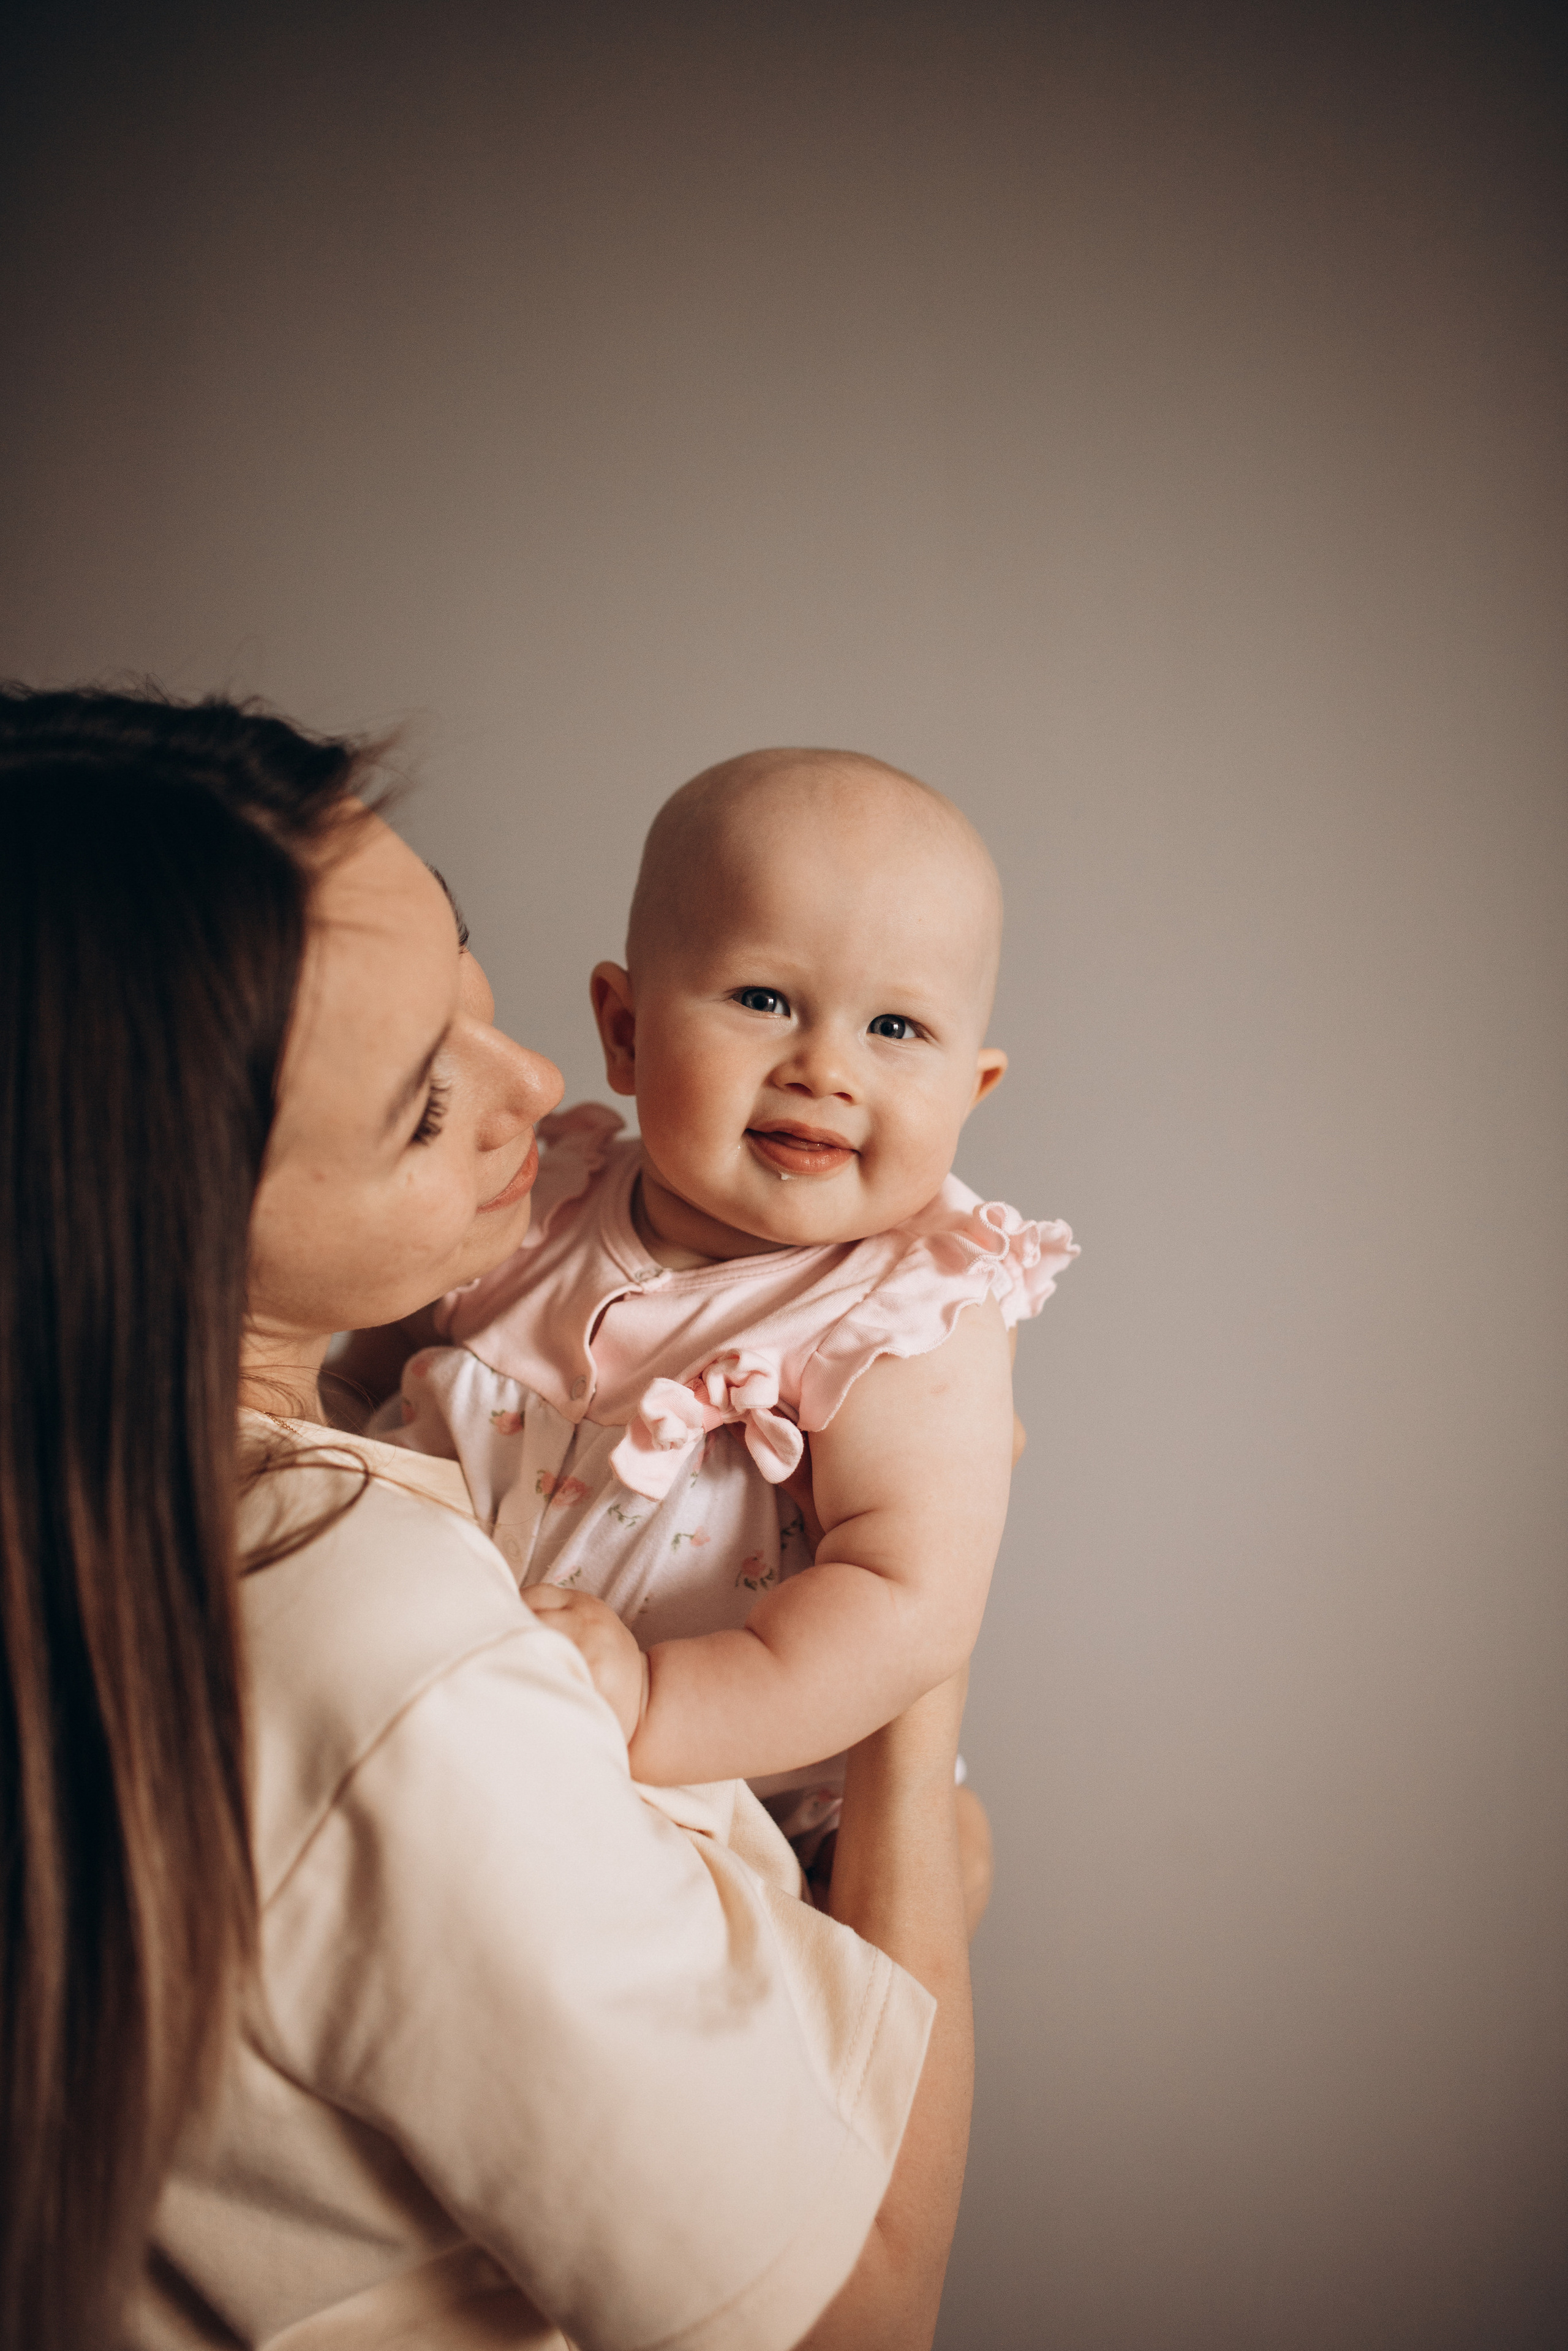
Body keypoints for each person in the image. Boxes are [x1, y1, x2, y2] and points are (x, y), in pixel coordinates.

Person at [0, 687, 988, 2351]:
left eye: (464, 969)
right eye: (418, 1105)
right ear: (159, 1213)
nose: (535, 1079)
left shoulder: (117, 1510)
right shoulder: (384, 1656)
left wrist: (898, 1609)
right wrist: (925, 1716)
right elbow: (858, 2313)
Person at [365, 749, 1077, 1859]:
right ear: (627, 1031)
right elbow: (369, 1349)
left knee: (940, 1863)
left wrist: (656, 1703)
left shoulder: (908, 1314)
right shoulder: (541, 1194)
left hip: (738, 1789)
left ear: (970, 1090)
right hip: (445, 1720)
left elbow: (904, 1599)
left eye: (896, 1029)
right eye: (764, 998)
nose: (825, 1068)